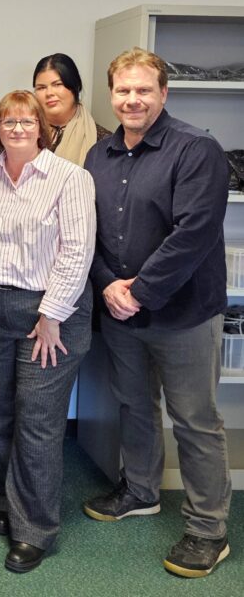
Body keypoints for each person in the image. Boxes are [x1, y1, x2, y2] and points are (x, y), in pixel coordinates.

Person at [82, 47, 233, 579]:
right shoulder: (99, 156)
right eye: (123, 90)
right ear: (112, 94)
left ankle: (208, 530)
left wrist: (139, 291)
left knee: (195, 422)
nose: (132, 99)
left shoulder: (197, 149)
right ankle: (141, 491)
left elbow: (192, 235)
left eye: (143, 90)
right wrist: (108, 286)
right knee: (134, 405)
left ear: (163, 93)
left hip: (183, 314)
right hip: (122, 312)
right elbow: (88, 233)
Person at [0, 90, 96, 572]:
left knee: (36, 418)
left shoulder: (70, 178)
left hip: (48, 314)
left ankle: (36, 529)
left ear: (41, 128)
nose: (16, 128)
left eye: (26, 121)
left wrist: (52, 315)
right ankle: (7, 497)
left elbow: (77, 251)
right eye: (8, 121)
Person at [32, 53, 111, 167]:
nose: (49, 93)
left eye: (57, 84)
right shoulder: (24, 132)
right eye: (41, 88)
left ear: (76, 86)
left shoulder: (103, 141)